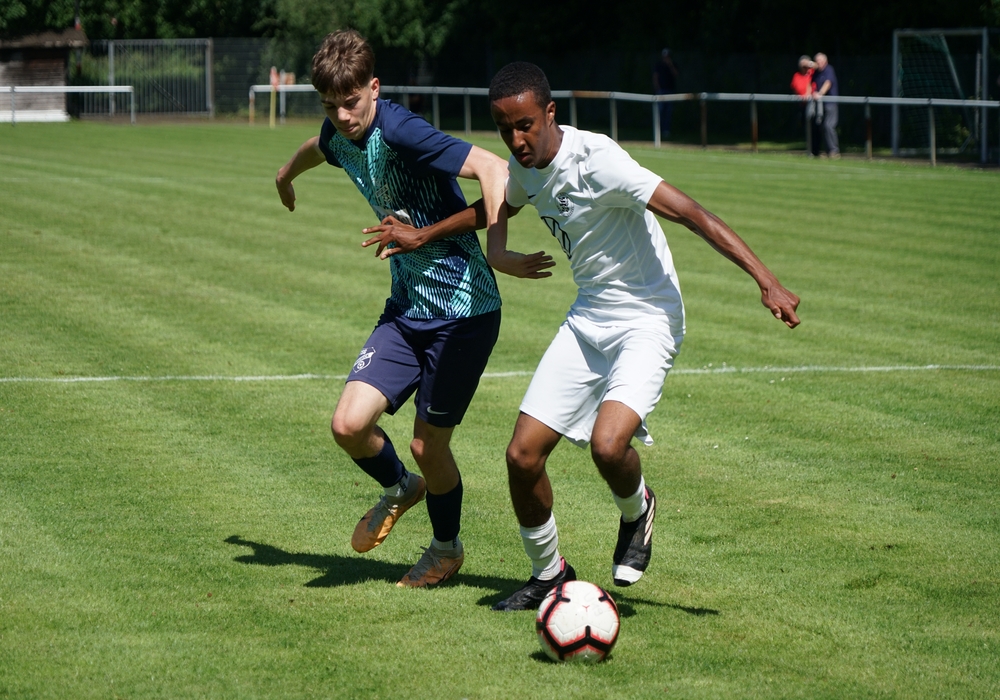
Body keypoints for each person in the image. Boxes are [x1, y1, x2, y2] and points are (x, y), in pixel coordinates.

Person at [485, 62, 801, 610]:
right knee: (522, 456)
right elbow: (499, 203)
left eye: (525, 125)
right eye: (504, 129)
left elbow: (692, 213)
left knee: (608, 446)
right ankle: (548, 574)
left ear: (550, 113)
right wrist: (434, 235)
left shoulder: (599, 161)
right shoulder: (525, 165)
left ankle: (638, 510)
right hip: (589, 317)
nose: (515, 140)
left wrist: (766, 280)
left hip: (648, 318)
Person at [274, 30, 550, 589]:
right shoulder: (339, 131)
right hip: (406, 308)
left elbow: (494, 169)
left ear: (374, 88)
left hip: (464, 310)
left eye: (351, 102)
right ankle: (401, 487)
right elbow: (318, 146)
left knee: (428, 445)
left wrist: (496, 251)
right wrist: (284, 176)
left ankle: (445, 551)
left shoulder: (400, 130)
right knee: (348, 425)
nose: (342, 116)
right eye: (330, 105)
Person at [790, 55, 821, 156]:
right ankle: (810, 150)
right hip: (804, 105)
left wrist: (808, 63)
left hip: (813, 105)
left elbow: (818, 66)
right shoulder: (797, 76)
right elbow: (796, 88)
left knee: (816, 127)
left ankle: (816, 151)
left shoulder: (812, 73)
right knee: (807, 128)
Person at [812, 53, 840, 158]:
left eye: (820, 61)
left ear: (825, 61)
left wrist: (820, 94)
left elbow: (828, 83)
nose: (818, 63)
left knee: (829, 126)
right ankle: (828, 151)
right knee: (822, 127)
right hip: (821, 104)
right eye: (816, 61)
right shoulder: (816, 73)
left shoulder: (829, 70)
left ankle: (834, 151)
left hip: (830, 103)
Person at [652, 48, 679, 138]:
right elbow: (655, 76)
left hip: (670, 91)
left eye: (667, 57)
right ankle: (658, 130)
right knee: (660, 111)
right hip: (661, 91)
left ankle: (666, 130)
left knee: (668, 112)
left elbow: (676, 74)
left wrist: (670, 65)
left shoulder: (673, 65)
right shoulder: (659, 65)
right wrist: (657, 88)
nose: (666, 58)